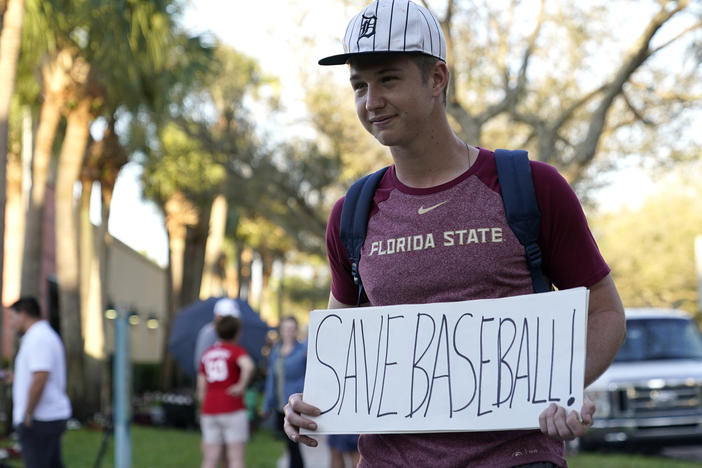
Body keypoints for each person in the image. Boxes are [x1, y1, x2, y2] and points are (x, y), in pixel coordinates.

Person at [283, 0, 627, 466]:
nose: (371, 101)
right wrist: (309, 405)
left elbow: (604, 311)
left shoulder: (531, 187)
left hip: (516, 458)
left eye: (388, 78)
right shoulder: (353, 212)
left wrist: (563, 390)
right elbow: (341, 353)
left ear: (437, 79)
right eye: (359, 85)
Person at [6, 297, 72, 468]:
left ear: (23, 315)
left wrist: (28, 414)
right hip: (44, 417)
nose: (11, 324)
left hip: (40, 419)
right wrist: (16, 378)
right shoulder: (39, 336)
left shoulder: (39, 338)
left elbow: (41, 377)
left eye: (13, 317)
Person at [197, 314, 255, 468]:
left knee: (210, 458)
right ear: (237, 332)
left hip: (210, 409)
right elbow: (248, 366)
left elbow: (201, 386)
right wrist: (241, 386)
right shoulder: (236, 351)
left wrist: (205, 405)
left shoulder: (207, 354)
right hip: (232, 407)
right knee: (236, 458)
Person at [262, 316, 307, 468]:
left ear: (296, 331)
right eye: (286, 328)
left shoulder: (303, 351)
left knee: (294, 443)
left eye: (292, 329)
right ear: (281, 330)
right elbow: (271, 379)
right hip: (280, 404)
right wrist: (267, 405)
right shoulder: (275, 352)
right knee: (289, 443)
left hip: (296, 404)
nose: (289, 332)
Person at [194, 297, 242, 376]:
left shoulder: (231, 333)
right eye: (226, 318)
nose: (229, 322)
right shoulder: (209, 333)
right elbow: (200, 363)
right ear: (217, 316)